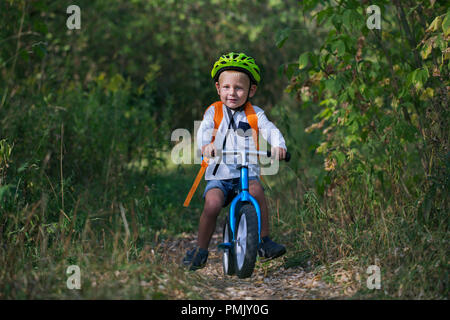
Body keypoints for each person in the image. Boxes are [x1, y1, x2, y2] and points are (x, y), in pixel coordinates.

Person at [183, 52, 288, 271]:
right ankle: (200, 250)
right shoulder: (214, 111)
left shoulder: (255, 114)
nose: (232, 93)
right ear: (218, 88)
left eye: (239, 88)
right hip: (219, 175)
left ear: (251, 90)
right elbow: (204, 131)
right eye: (227, 87)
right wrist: (206, 145)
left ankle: (264, 241)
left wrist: (280, 146)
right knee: (212, 204)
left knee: (257, 191)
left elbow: (270, 130)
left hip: (246, 172)